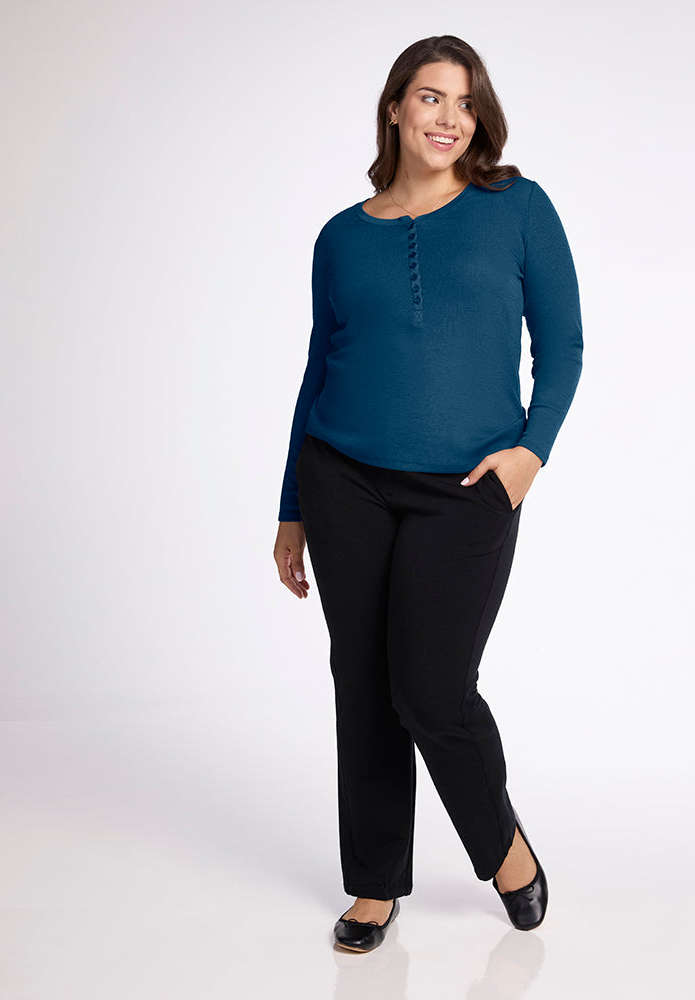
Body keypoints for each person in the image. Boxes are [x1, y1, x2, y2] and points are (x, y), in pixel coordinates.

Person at [273, 34, 583, 952]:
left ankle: (504, 849)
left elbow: (561, 347)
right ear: (397, 109)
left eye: (463, 102)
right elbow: (314, 371)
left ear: (477, 118)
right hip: (343, 481)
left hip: (467, 489)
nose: (448, 116)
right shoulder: (340, 236)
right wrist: (292, 503)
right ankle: (373, 884)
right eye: (430, 98)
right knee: (362, 682)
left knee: (433, 690)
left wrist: (532, 453)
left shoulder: (517, 208)